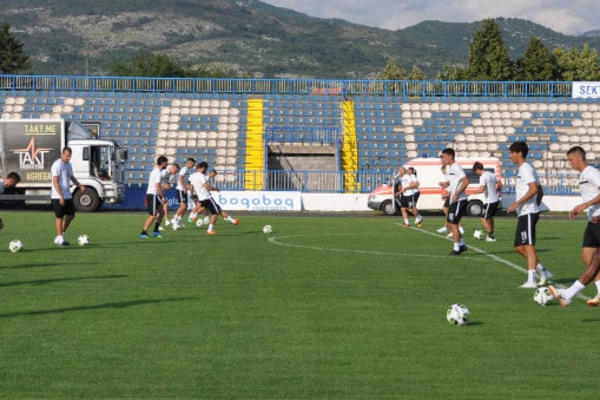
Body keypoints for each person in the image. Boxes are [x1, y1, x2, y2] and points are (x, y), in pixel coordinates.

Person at [548, 146, 600, 306]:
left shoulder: (591, 172)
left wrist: (584, 205)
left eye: (570, 160)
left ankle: (569, 293)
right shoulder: (584, 175)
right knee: (587, 256)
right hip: (593, 221)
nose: (569, 164)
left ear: (578, 158)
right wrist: (582, 209)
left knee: (597, 258)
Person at [505, 141, 553, 288]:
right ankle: (543, 271)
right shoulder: (525, 169)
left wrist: (519, 203)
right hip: (526, 213)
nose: (511, 156)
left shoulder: (526, 168)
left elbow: (533, 189)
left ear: (520, 153)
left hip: (528, 212)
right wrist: (535, 206)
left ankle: (531, 280)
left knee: (529, 245)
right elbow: (540, 190)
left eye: (513, 153)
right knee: (519, 247)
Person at [188, 162, 238, 235]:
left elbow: (191, 186)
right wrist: (215, 189)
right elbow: (206, 186)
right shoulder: (201, 176)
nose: (206, 170)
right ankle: (209, 229)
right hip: (207, 197)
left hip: (201, 197)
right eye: (206, 169)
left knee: (217, 209)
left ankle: (233, 221)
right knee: (215, 213)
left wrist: (192, 194)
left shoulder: (192, 176)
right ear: (203, 168)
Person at [51, 147, 86, 246]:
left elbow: (71, 177)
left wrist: (79, 185)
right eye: (67, 156)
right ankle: (60, 238)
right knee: (59, 217)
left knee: (71, 215)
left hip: (68, 195)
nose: (68, 158)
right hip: (58, 196)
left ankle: (60, 235)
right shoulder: (57, 165)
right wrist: (60, 196)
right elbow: (55, 181)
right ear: (62, 154)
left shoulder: (69, 165)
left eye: (70, 156)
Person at [440, 148, 468, 255]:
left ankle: (457, 249)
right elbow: (455, 182)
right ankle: (461, 245)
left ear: (450, 156)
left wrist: (457, 193)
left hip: (460, 200)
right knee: (452, 224)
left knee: (453, 224)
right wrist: (448, 188)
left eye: (444, 156)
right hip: (454, 200)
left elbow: (466, 181)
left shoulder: (456, 167)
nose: (443, 159)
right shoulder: (451, 168)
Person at [471, 162, 501, 242]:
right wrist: (498, 190)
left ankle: (491, 236)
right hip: (495, 199)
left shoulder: (483, 177)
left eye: (475, 172)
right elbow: (500, 183)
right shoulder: (491, 174)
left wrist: (471, 192)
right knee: (490, 217)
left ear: (477, 169)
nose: (476, 173)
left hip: (490, 200)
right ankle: (490, 235)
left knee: (483, 218)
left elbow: (482, 189)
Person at [140, 156, 168, 239]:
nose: (167, 164)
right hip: (153, 195)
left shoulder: (157, 171)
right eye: (166, 162)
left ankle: (155, 231)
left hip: (155, 195)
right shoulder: (157, 172)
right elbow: (157, 185)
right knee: (153, 215)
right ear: (162, 163)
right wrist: (162, 196)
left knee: (162, 213)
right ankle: (143, 232)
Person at [436, 165, 464, 237]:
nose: (442, 171)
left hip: (454, 195)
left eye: (443, 170)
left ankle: (456, 227)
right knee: (448, 210)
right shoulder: (447, 176)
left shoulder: (450, 174)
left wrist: (447, 191)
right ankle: (448, 226)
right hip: (451, 194)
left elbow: (453, 185)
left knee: (448, 210)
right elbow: (449, 185)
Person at [171, 158, 195, 229]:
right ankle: (174, 219)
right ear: (189, 163)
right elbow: (180, 178)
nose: (193, 166)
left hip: (183, 189)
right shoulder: (184, 169)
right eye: (192, 164)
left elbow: (186, 181)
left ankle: (179, 220)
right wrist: (184, 187)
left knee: (186, 206)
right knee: (183, 206)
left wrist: (189, 187)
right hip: (180, 189)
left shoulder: (189, 170)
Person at [159, 163, 179, 230]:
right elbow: (157, 182)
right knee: (165, 205)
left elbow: (165, 183)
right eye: (176, 171)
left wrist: (168, 186)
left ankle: (160, 225)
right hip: (156, 192)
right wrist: (164, 186)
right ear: (173, 168)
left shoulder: (169, 174)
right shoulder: (165, 172)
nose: (176, 173)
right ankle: (166, 220)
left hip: (160, 191)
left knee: (162, 208)